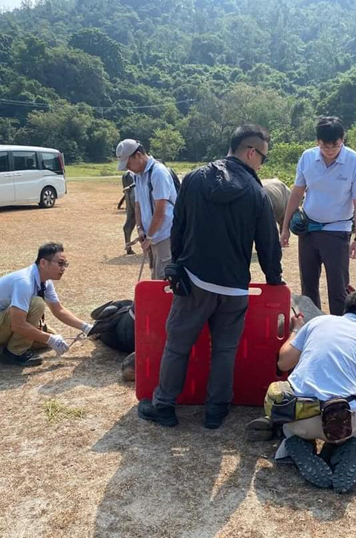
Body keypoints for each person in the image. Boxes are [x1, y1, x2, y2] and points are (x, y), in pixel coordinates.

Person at [137, 124, 284, 429]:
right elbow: (268, 243)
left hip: (193, 282)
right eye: (264, 158)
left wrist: (175, 266)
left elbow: (178, 227)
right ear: (251, 151)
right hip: (234, 289)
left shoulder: (194, 178)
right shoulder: (257, 193)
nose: (262, 164)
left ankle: (164, 405)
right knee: (225, 350)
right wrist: (274, 279)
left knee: (177, 346)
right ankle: (216, 410)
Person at [247, 291, 356, 493]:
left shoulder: (318, 323)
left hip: (298, 416)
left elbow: (284, 362)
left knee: (292, 410)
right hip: (339, 423)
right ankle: (351, 446)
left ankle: (292, 442)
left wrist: (296, 331)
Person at [280, 116, 356, 316]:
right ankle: (312, 328)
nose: (330, 151)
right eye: (324, 146)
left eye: (335, 146)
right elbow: (297, 193)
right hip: (308, 231)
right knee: (308, 286)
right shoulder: (307, 157)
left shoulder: (354, 161)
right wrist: (285, 227)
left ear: (343, 140)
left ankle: (339, 331)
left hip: (337, 231)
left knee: (338, 289)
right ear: (317, 142)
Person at [0, 243, 92, 367]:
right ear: (43, 263)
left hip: (1, 326)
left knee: (51, 336)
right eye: (60, 263)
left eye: (65, 264)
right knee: (37, 304)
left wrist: (87, 328)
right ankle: (14, 353)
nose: (63, 268)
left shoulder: (45, 282)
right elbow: (18, 325)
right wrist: (50, 340)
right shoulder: (24, 282)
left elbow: (58, 309)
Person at [116, 139, 177, 279]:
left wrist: (149, 237)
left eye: (128, 164)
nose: (128, 168)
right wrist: (140, 229)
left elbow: (160, 212)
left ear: (138, 155)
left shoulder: (158, 173)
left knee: (164, 280)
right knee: (154, 276)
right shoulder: (137, 176)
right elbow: (137, 205)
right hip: (152, 236)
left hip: (165, 236)